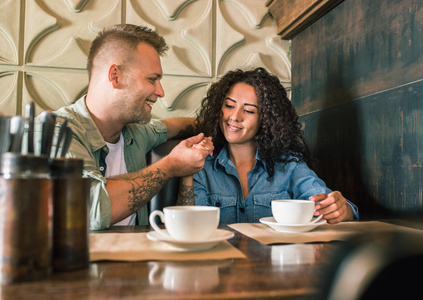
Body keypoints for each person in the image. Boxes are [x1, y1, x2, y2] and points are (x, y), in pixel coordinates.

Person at [35, 24, 213, 230]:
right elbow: (93, 207)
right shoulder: (55, 133)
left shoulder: (136, 133)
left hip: (138, 258)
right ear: (115, 76)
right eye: (152, 79)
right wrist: (170, 166)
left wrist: (223, 126)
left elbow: (176, 126)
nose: (161, 92)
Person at [177, 67, 359, 224]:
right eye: (230, 105)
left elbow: (330, 203)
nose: (235, 116)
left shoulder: (289, 166)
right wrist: (187, 172)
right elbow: (188, 224)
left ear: (266, 119)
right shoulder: (203, 167)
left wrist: (341, 209)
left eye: (248, 110)